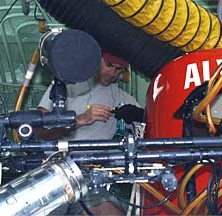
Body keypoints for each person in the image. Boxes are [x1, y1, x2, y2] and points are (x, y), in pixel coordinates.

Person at [36, 50, 144, 215]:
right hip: (53, 169)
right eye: (109, 65)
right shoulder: (66, 87)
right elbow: (39, 132)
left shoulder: (121, 98)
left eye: (118, 69)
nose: (112, 73)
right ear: (96, 60)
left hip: (91, 173)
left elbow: (149, 125)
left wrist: (138, 115)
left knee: (112, 212)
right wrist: (80, 120)